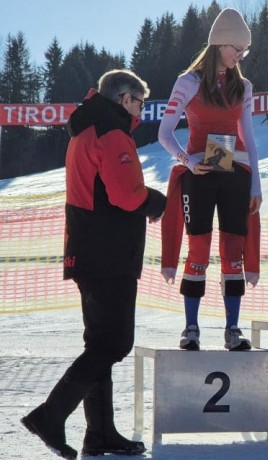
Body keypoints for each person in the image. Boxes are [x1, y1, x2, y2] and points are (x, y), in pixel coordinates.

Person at [21, 69, 165, 459]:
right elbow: (125, 195)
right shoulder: (112, 133)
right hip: (110, 253)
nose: (141, 110)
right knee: (115, 342)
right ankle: (50, 416)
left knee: (99, 343)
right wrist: (158, 203)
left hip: (87, 250)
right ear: (124, 99)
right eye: (138, 103)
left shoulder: (86, 129)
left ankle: (100, 434)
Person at [158, 8, 262, 351]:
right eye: (237, 49)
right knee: (199, 249)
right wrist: (187, 161)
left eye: (245, 51)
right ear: (219, 43)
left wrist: (256, 184)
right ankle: (191, 328)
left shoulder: (243, 85)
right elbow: (164, 133)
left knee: (234, 252)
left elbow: (247, 136)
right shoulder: (188, 81)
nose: (241, 56)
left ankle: (233, 329)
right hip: (199, 173)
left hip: (232, 170)